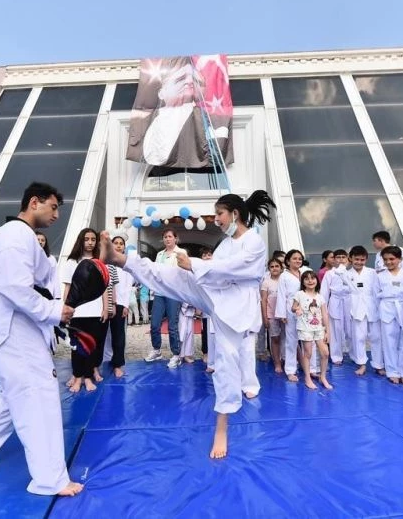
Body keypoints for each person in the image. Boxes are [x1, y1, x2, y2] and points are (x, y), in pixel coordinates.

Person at [100, 190, 275, 459]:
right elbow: (216, 268)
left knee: (226, 361)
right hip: (217, 292)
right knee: (169, 275)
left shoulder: (254, 242)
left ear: (234, 214)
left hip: (237, 304)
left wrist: (193, 264)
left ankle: (222, 427)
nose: (216, 220)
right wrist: (190, 269)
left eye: (219, 214)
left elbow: (235, 268)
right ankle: (121, 259)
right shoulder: (226, 244)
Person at [0, 182, 81, 497]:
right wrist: (54, 311)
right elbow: (14, 287)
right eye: (53, 206)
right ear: (34, 202)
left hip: (14, 326)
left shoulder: (19, 237)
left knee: (13, 393)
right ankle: (50, 479)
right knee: (37, 395)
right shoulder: (13, 235)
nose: (56, 214)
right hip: (10, 328)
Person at [62, 228, 109, 393]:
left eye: (93, 239)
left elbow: (104, 288)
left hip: (95, 312)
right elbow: (67, 287)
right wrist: (65, 309)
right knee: (77, 347)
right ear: (81, 240)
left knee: (92, 346)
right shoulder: (72, 262)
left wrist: (105, 308)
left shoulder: (99, 262)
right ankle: (77, 376)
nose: (90, 242)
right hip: (77, 313)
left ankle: (88, 377)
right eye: (87, 239)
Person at [374, 246, 403, 385]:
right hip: (387, 308)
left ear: (399, 259)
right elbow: (376, 296)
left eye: (392, 259)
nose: (388, 262)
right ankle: (392, 371)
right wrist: (379, 312)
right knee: (389, 341)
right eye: (386, 259)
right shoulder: (380, 276)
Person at [146, 228, 185, 368]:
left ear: (176, 238)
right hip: (160, 293)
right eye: (165, 237)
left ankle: (176, 355)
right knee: (154, 324)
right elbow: (156, 272)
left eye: (170, 236)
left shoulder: (181, 253)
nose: (167, 239)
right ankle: (157, 350)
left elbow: (182, 274)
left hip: (173, 293)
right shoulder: (159, 254)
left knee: (172, 326)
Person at [292, 270, 332, 390]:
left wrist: (327, 331)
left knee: (325, 353)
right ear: (303, 282)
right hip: (305, 328)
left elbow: (324, 314)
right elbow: (293, 307)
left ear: (317, 280)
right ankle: (307, 378)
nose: (310, 281)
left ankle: (323, 377)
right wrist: (297, 309)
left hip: (318, 328)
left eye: (313, 278)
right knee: (308, 353)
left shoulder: (320, 297)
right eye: (307, 279)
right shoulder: (299, 294)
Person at [345, 246, 381, 376]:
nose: (359, 262)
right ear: (351, 259)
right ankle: (361, 364)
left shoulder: (372, 272)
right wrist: (346, 264)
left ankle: (378, 364)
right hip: (356, 308)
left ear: (366, 259)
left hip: (372, 307)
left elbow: (377, 291)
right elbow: (339, 271)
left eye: (362, 260)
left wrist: (379, 307)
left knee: (376, 337)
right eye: (356, 259)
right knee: (358, 337)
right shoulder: (346, 274)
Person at [103, 234, 133, 378]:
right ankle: (102, 360)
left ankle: (118, 364)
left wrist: (126, 305)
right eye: (116, 243)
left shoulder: (126, 265)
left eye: (121, 243)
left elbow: (128, 287)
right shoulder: (105, 261)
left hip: (120, 303)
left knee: (118, 335)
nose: (119, 245)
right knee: (102, 334)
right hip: (104, 302)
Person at [275, 249, 305, 382]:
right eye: (294, 258)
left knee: (309, 339)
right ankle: (291, 370)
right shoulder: (284, 276)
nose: (298, 261)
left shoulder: (304, 273)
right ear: (288, 261)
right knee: (291, 341)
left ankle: (311, 368)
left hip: (307, 310)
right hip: (290, 310)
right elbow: (281, 296)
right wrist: (282, 314)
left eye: (300, 258)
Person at [319, 248, 351, 366]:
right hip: (335, 300)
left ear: (347, 259)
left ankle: (352, 352)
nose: (341, 260)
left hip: (349, 301)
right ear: (334, 260)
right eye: (338, 257)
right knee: (335, 329)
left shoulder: (350, 272)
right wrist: (323, 309)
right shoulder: (329, 273)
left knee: (351, 328)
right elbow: (324, 292)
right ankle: (336, 355)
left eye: (343, 257)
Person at [261, 257, 283, 373]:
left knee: (286, 339)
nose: (274, 268)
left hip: (284, 315)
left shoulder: (285, 280)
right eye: (272, 266)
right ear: (269, 269)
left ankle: (287, 360)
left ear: (281, 268)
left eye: (277, 266)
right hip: (271, 314)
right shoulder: (266, 282)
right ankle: (277, 363)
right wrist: (265, 317)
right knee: (275, 338)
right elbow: (263, 300)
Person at [198, 246, 215, 371]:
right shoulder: (199, 272)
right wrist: (198, 306)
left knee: (218, 334)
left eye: (209, 254)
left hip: (218, 307)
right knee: (206, 333)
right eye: (204, 255)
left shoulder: (217, 270)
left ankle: (217, 358)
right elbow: (198, 291)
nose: (207, 257)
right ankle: (206, 354)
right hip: (205, 307)